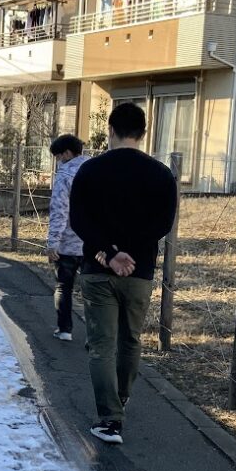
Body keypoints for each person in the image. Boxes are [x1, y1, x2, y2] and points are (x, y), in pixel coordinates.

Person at [69, 102, 178, 445]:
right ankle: (123, 396)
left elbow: (79, 220)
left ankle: (110, 420)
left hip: (98, 269)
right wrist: (130, 252)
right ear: (143, 133)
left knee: (101, 344)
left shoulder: (90, 170)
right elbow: (163, 223)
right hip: (139, 271)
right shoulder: (161, 174)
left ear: (110, 131)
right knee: (130, 339)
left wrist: (110, 252)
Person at [46, 134, 87, 342]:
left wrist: (53, 242)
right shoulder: (95, 170)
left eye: (58, 156)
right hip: (94, 243)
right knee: (94, 292)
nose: (58, 160)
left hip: (68, 243)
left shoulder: (65, 176)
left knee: (64, 286)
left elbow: (59, 211)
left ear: (67, 153)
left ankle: (65, 330)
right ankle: (96, 336)